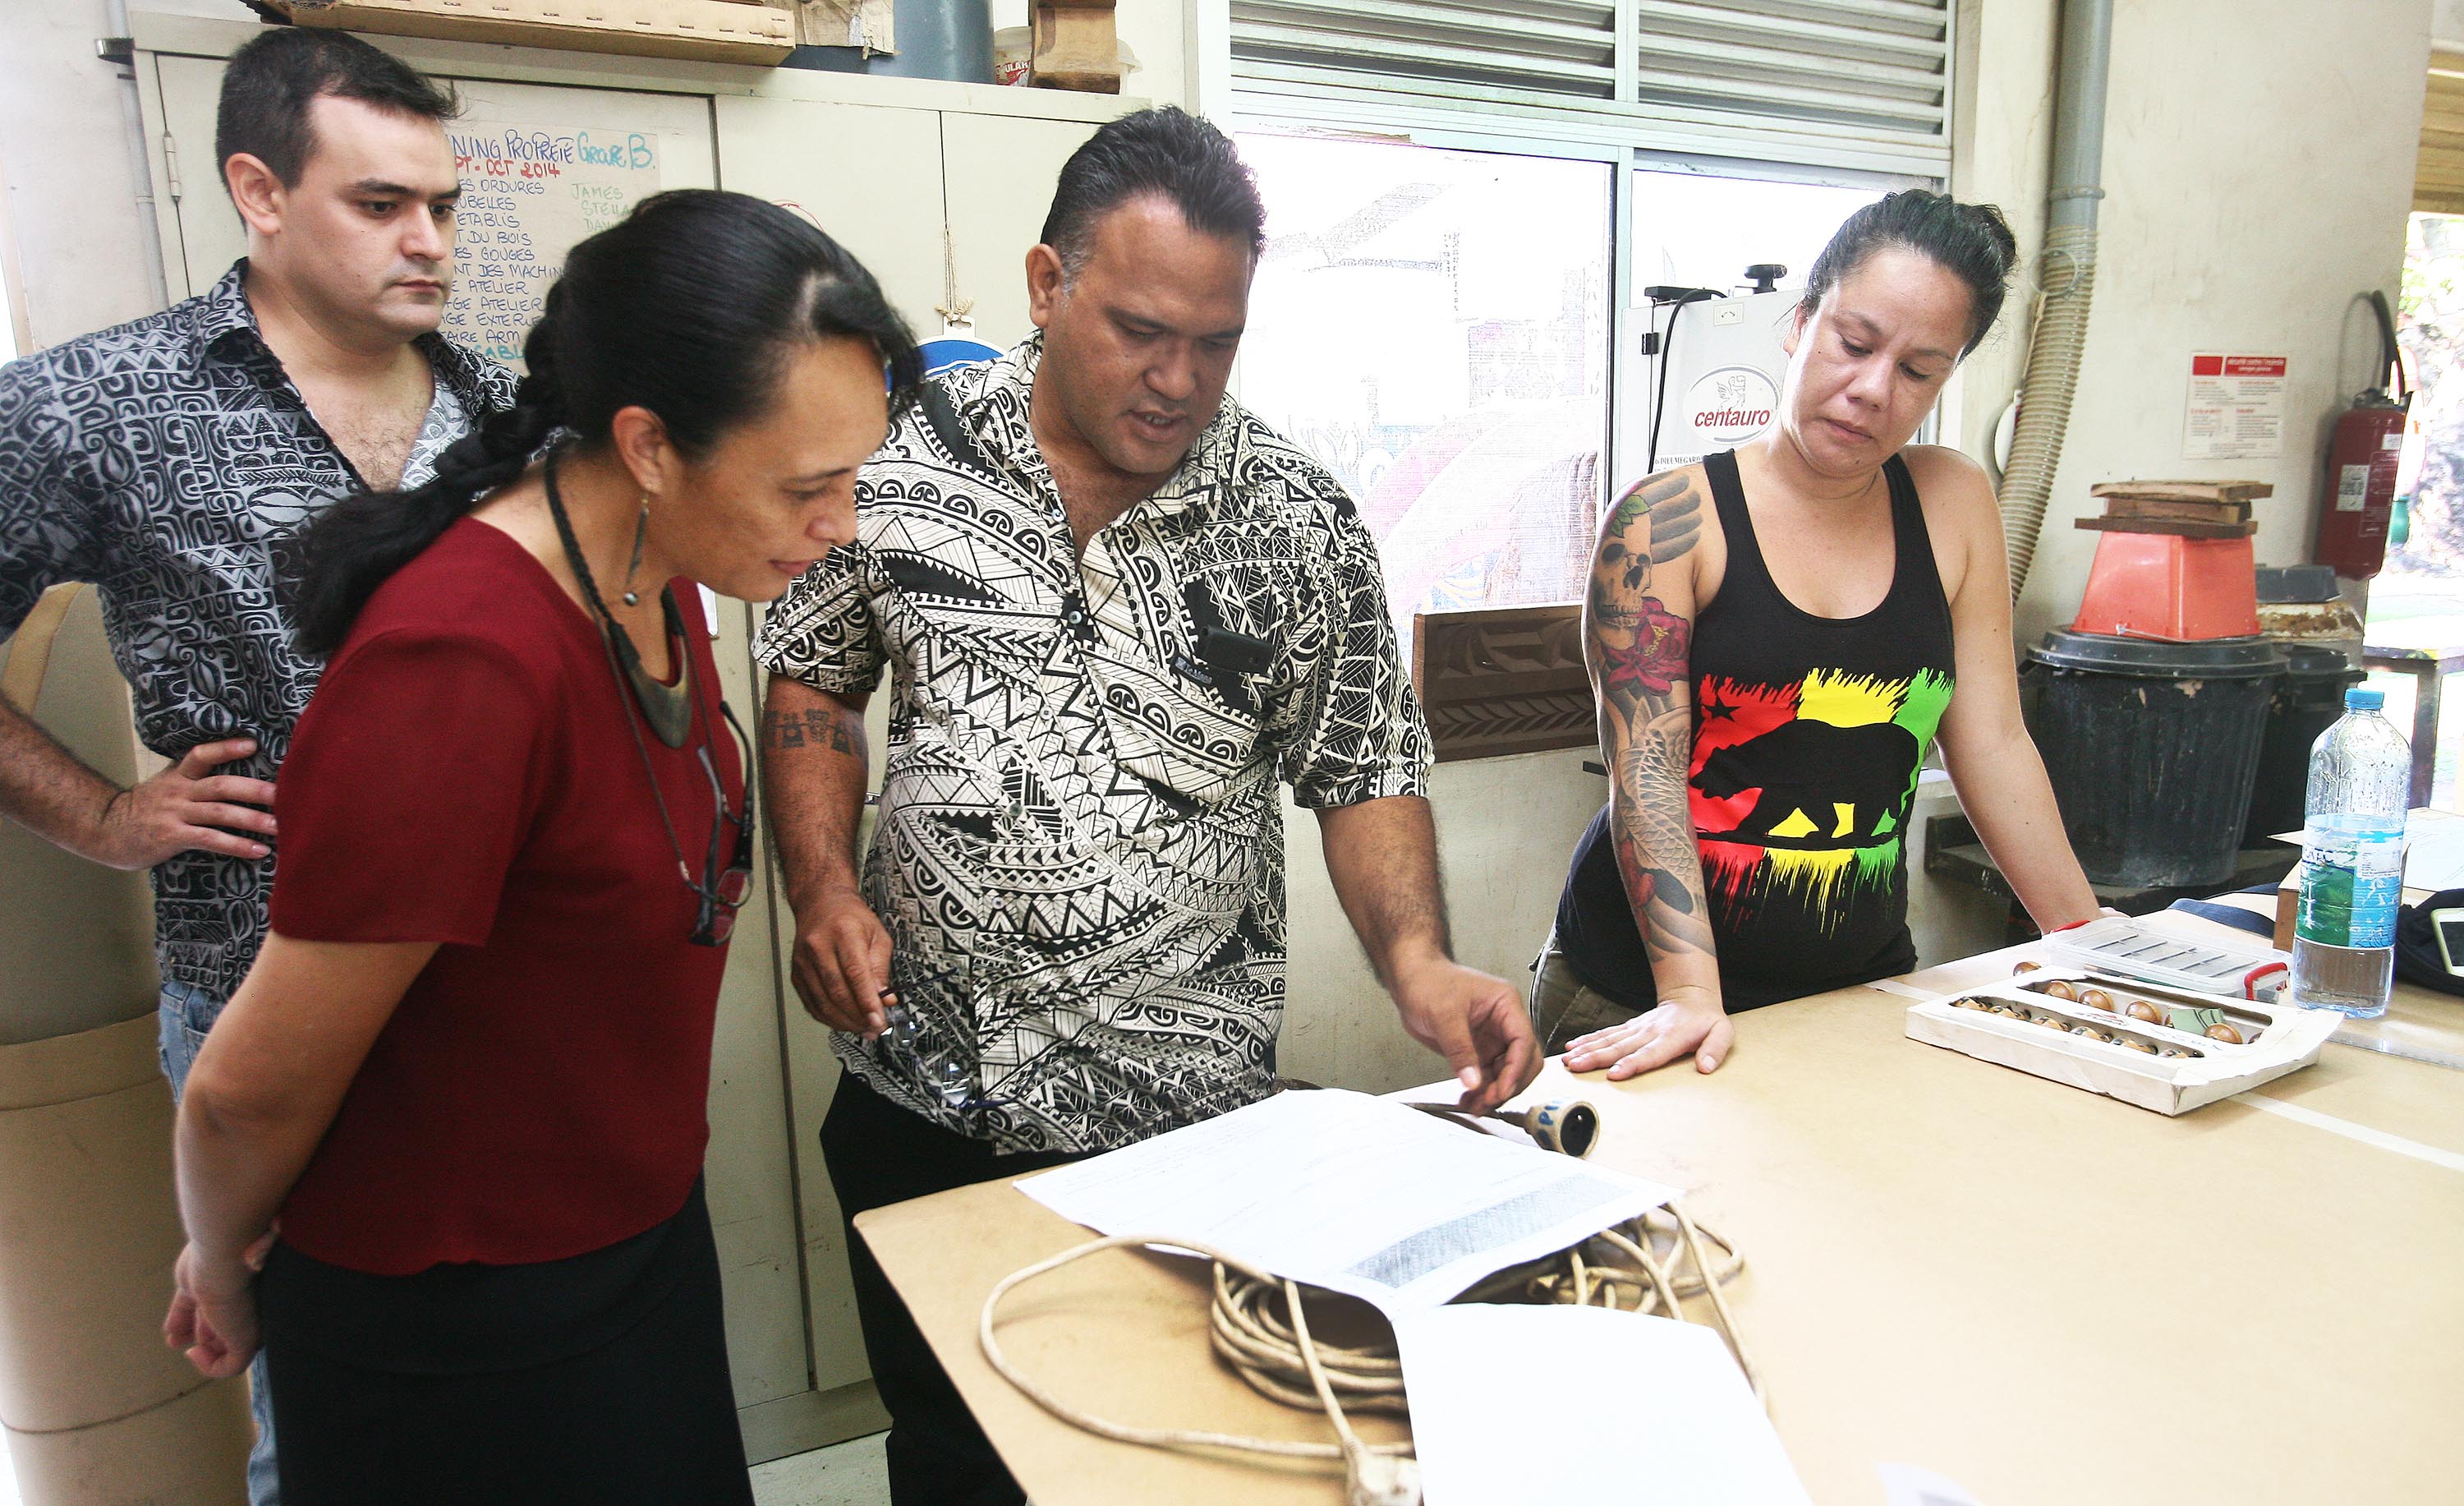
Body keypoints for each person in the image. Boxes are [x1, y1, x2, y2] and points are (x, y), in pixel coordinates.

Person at [754, 106, 1542, 1505]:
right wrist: (821, 886)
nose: (1179, 379)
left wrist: (1417, 961)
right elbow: (812, 686)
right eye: (1137, 329)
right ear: (1047, 285)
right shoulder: (893, 460)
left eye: (1217, 339)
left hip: (1180, 1137)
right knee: (950, 1459)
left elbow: (1362, 766)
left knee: (1160, 1468)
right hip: (922, 1097)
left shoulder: (1295, 519)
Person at [158, 189, 922, 1506]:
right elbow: (245, 1087)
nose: (843, 523)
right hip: (458, 1330)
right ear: (648, 443)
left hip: (627, 1251)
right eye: (809, 486)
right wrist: (219, 1261)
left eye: (854, 477)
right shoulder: (459, 665)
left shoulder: (653, 568)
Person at [0, 30, 508, 1503]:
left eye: (444, 205)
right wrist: (102, 812)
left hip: (493, 983)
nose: (427, 241)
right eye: (380, 203)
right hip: (264, 993)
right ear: (258, 190)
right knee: (325, 1408)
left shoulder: (493, 411)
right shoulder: (104, 404)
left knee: (504, 1385)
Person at [1541, 189, 2101, 1080]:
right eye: (1855, 342)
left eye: (1919, 370)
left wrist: (2085, 940)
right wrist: (1689, 991)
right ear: (1800, 323)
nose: (1874, 389)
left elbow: (1991, 739)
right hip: (1650, 993)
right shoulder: (1668, 520)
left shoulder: (1953, 504)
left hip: (1860, 982)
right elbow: (1644, 774)